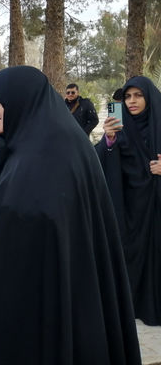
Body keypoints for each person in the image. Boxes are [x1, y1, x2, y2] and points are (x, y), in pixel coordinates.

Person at [0, 65, 141, 364]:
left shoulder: (56, 147)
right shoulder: (26, 142)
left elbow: (41, 220)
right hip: (45, 288)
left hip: (64, 296)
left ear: (21, 99)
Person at [96, 76, 161, 326]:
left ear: (149, 97)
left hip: (156, 205)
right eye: (128, 97)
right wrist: (109, 140)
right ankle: (133, 304)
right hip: (130, 206)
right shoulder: (121, 127)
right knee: (131, 254)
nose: (132, 101)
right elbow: (99, 160)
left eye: (138, 96)